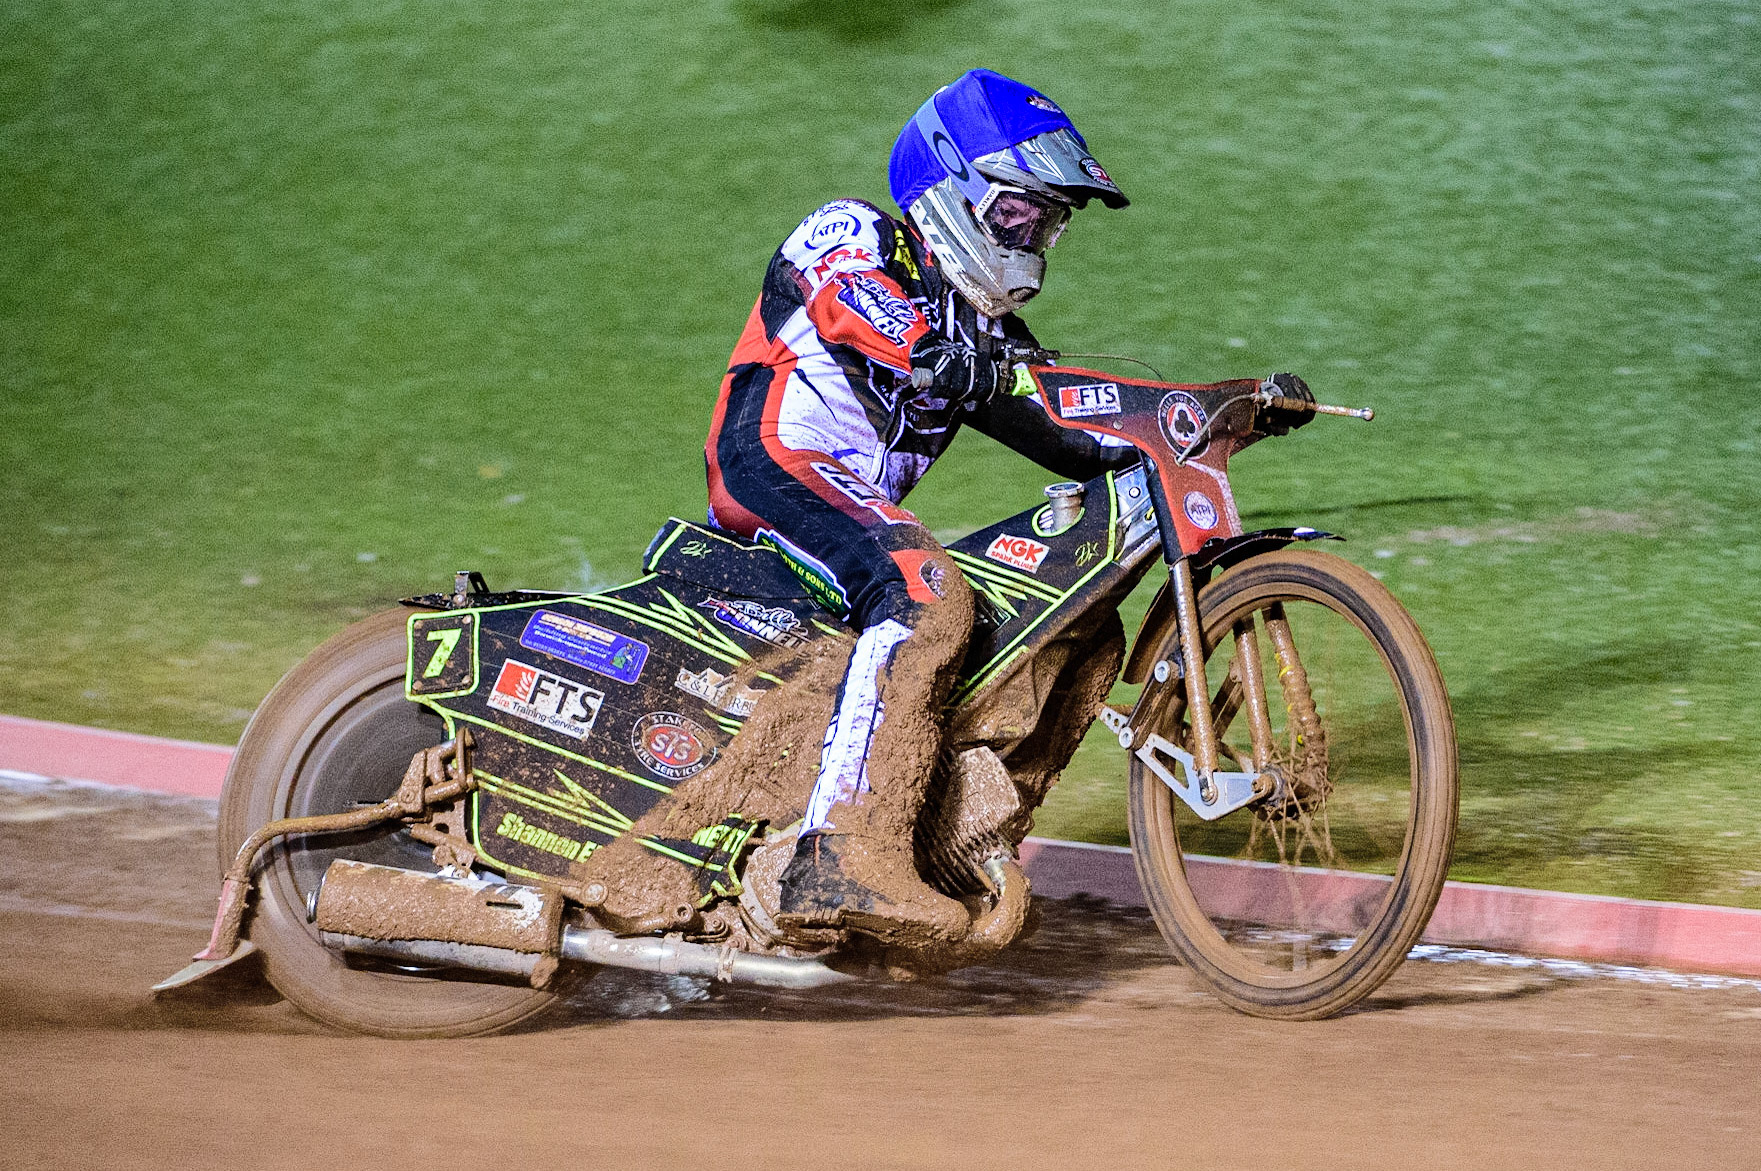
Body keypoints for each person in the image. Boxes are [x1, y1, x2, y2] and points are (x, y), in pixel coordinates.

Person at [704, 69, 1140, 948]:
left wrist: (1195, 423)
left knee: (1077, 612)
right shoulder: (855, 230)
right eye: (1020, 211)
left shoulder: (984, 335)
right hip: (773, 463)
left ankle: (942, 841)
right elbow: (847, 293)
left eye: (1047, 221)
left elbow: (1072, 432)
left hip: (847, 499)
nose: (1035, 237)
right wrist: (931, 347)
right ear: (951, 185)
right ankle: (836, 855)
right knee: (924, 588)